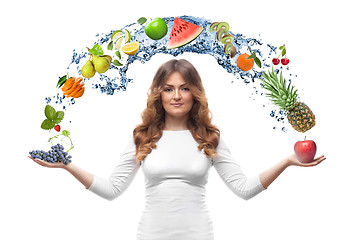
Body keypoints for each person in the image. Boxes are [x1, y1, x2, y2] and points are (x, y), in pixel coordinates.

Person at [29, 59, 326, 240]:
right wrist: (67, 167)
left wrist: (288, 161)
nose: (176, 96)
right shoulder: (142, 136)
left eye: (184, 88)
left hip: (198, 235)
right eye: (168, 88)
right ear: (158, 93)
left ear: (194, 93)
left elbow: (244, 188)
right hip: (150, 235)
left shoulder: (210, 138)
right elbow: (112, 189)